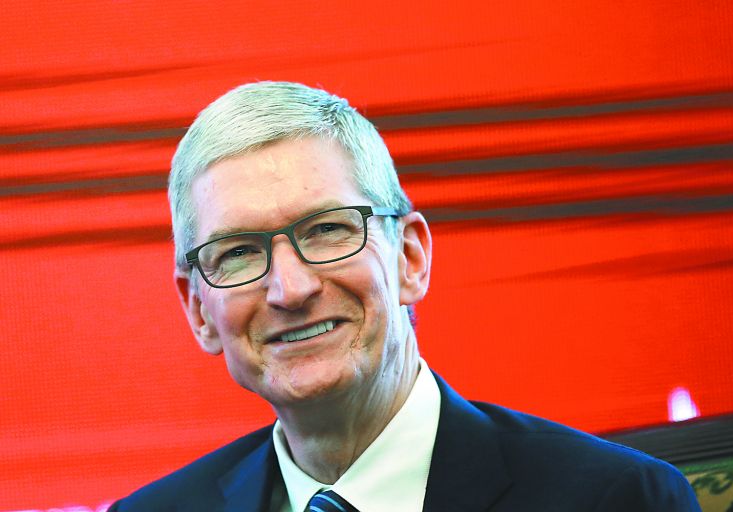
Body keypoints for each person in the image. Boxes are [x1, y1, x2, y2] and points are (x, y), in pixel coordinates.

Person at [108, 81, 701, 511]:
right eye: (238, 252)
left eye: (327, 230)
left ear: (410, 259)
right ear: (199, 311)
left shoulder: (615, 499)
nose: (290, 288)